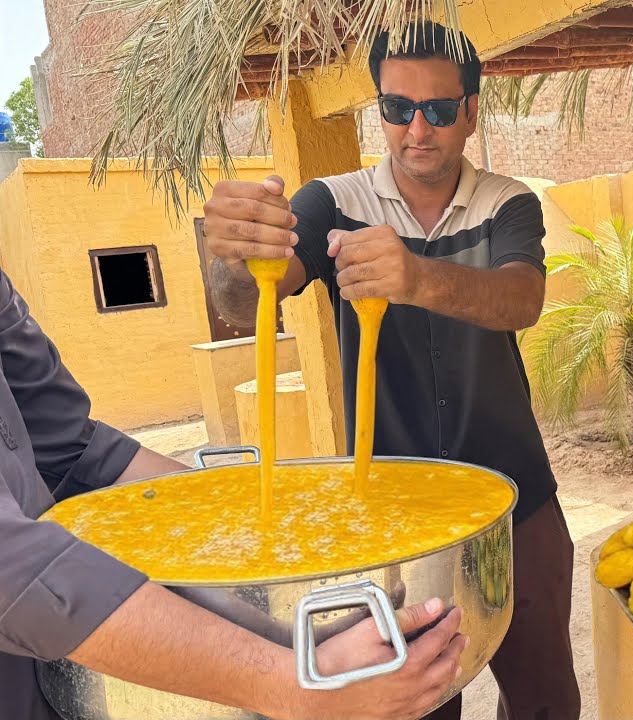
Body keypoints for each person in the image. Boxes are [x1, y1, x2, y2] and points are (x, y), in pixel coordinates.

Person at [201, 20, 579, 720]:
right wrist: (230, 254)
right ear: (381, 108)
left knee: (546, 697)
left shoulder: (507, 202)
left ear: (470, 110)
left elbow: (521, 299)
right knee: (412, 704)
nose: (417, 129)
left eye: (438, 109)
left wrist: (418, 279)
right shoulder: (332, 202)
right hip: (390, 516)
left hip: (515, 501)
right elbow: (247, 295)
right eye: (398, 109)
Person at [0, 267, 468, 720]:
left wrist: (259, 514)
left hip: (51, 665)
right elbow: (12, 567)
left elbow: (75, 448)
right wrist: (297, 685)